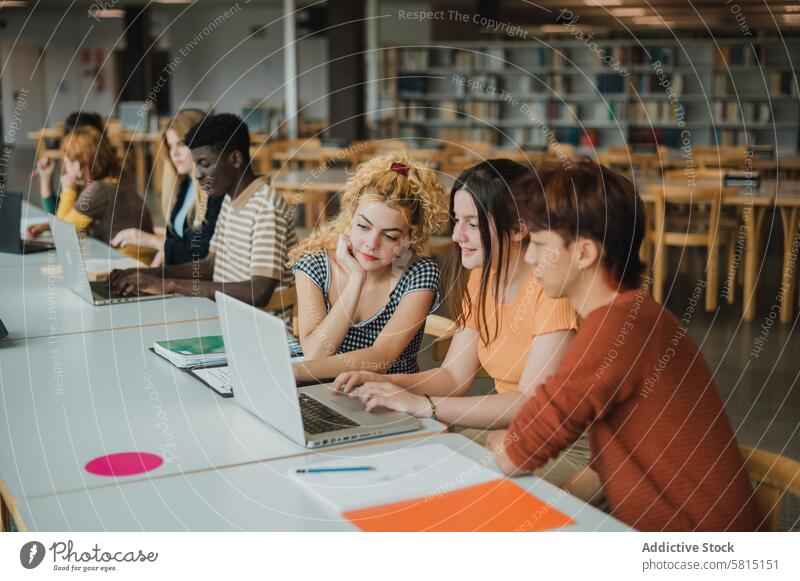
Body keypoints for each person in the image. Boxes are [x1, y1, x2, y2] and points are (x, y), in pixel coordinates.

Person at [488, 159, 761, 531]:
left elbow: (518, 452)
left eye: (537, 242)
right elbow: (607, 461)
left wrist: (493, 440)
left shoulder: (614, 329)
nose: (529, 256)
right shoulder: (633, 315)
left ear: (584, 253)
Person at [332, 160, 589, 491]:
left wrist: (425, 406)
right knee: (419, 468)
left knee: (455, 486)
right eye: (457, 220)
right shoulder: (482, 276)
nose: (456, 235)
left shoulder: (552, 288)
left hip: (573, 444)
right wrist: (384, 382)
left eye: (471, 223)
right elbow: (453, 377)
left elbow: (529, 403)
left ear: (518, 228)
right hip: (515, 435)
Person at [289, 154, 448, 384]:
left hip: (390, 399)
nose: (371, 244)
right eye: (364, 226)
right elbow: (315, 352)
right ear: (350, 219)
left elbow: (380, 358)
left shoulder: (420, 274)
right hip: (322, 392)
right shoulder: (313, 263)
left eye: (390, 236)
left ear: (409, 238)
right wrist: (356, 280)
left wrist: (293, 371)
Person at [109, 113, 295, 308]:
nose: (197, 174)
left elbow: (258, 292)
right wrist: (146, 275)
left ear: (235, 159)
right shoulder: (230, 201)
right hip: (226, 316)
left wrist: (170, 285)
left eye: (204, 164)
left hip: (257, 330)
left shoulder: (266, 206)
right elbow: (209, 265)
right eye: (196, 164)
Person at [109, 109, 224, 267]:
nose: (174, 153)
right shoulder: (186, 185)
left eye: (182, 144)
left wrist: (149, 240)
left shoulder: (216, 193)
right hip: (176, 279)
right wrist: (150, 273)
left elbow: (198, 254)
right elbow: (171, 243)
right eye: (170, 146)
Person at [27, 126, 155, 263]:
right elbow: (73, 221)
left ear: (78, 163)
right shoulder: (114, 178)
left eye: (67, 161)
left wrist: (68, 190)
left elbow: (62, 233)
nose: (64, 167)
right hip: (135, 258)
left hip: (126, 264)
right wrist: (47, 226)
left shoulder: (99, 190)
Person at [37, 112, 105, 215]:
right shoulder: (78, 175)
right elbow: (58, 213)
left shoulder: (101, 185)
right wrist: (46, 178)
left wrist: (68, 192)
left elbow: (62, 225)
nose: (66, 159)